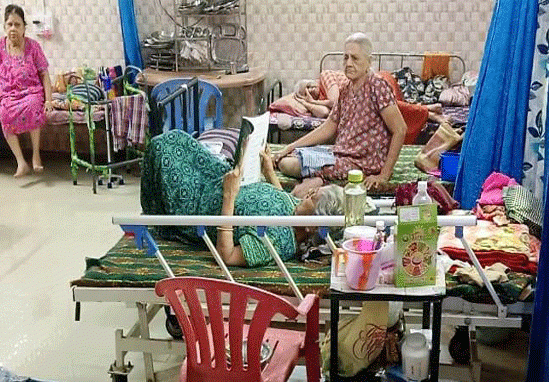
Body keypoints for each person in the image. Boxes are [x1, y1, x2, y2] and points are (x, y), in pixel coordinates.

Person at [141, 129, 320, 268]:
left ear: (312, 227)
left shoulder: (276, 243)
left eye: (313, 198)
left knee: (160, 148)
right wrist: (268, 172)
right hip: (218, 178)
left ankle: (157, 214)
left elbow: (227, 255)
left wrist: (228, 196)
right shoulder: (296, 213)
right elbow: (281, 198)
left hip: (200, 203)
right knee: (176, 138)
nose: (310, 193)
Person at [274, 33, 407, 194]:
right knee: (287, 156)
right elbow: (328, 127)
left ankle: (317, 180)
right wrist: (290, 146)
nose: (348, 63)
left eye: (355, 58)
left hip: (362, 164)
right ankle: (316, 179)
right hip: (339, 155)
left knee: (288, 165)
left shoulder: (377, 86)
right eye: (346, 58)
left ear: (369, 61)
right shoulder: (345, 89)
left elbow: (400, 129)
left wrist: (384, 175)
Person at [0, 4, 52, 178]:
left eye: (17, 24)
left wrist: (48, 100)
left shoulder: (33, 47)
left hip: (31, 92)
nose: (13, 28)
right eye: (10, 24)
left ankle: (36, 155)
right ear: (4, 27)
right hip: (8, 95)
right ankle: (21, 162)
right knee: (4, 113)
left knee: (33, 106)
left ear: (24, 28)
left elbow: (44, 74)